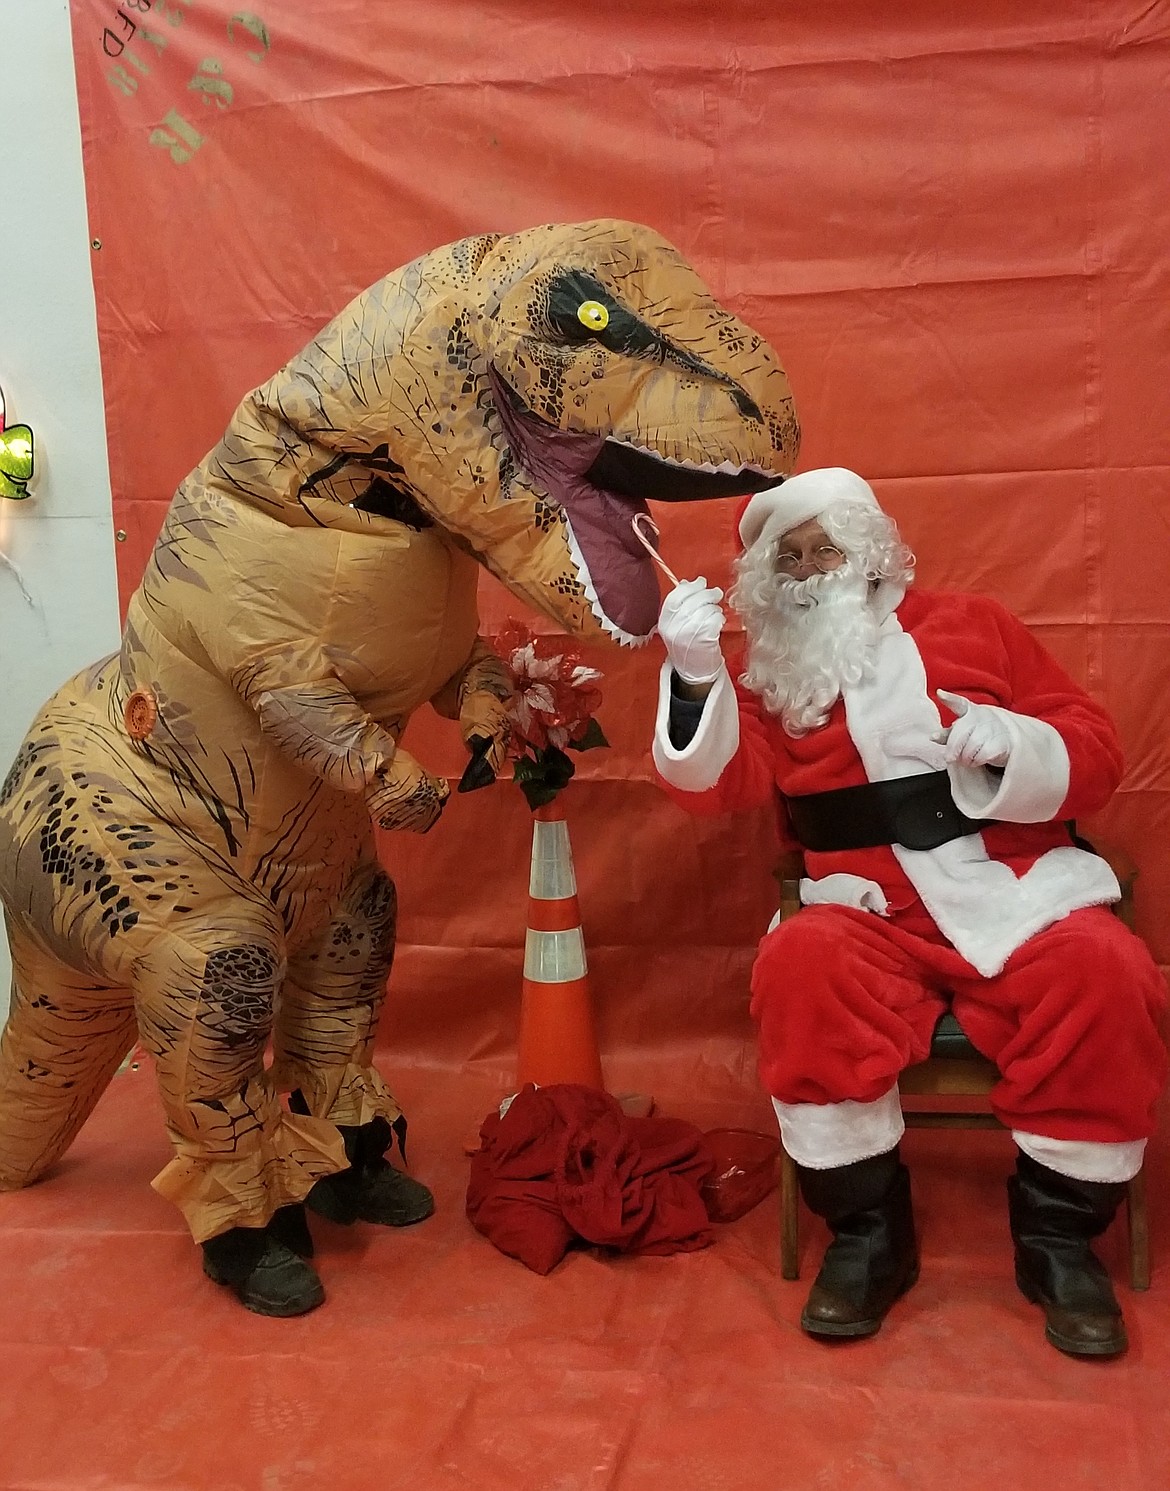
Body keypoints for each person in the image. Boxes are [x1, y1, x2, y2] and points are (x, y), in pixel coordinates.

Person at [652, 466, 1166, 1357]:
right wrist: (696, 678)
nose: (813, 568)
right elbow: (715, 786)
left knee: (1106, 972)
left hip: (1015, 892)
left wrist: (1014, 745)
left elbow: (1094, 745)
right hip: (867, 914)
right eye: (792, 557)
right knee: (799, 969)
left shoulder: (979, 624)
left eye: (828, 546)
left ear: (871, 546)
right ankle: (868, 1235)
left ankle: (1059, 1241)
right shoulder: (770, 673)